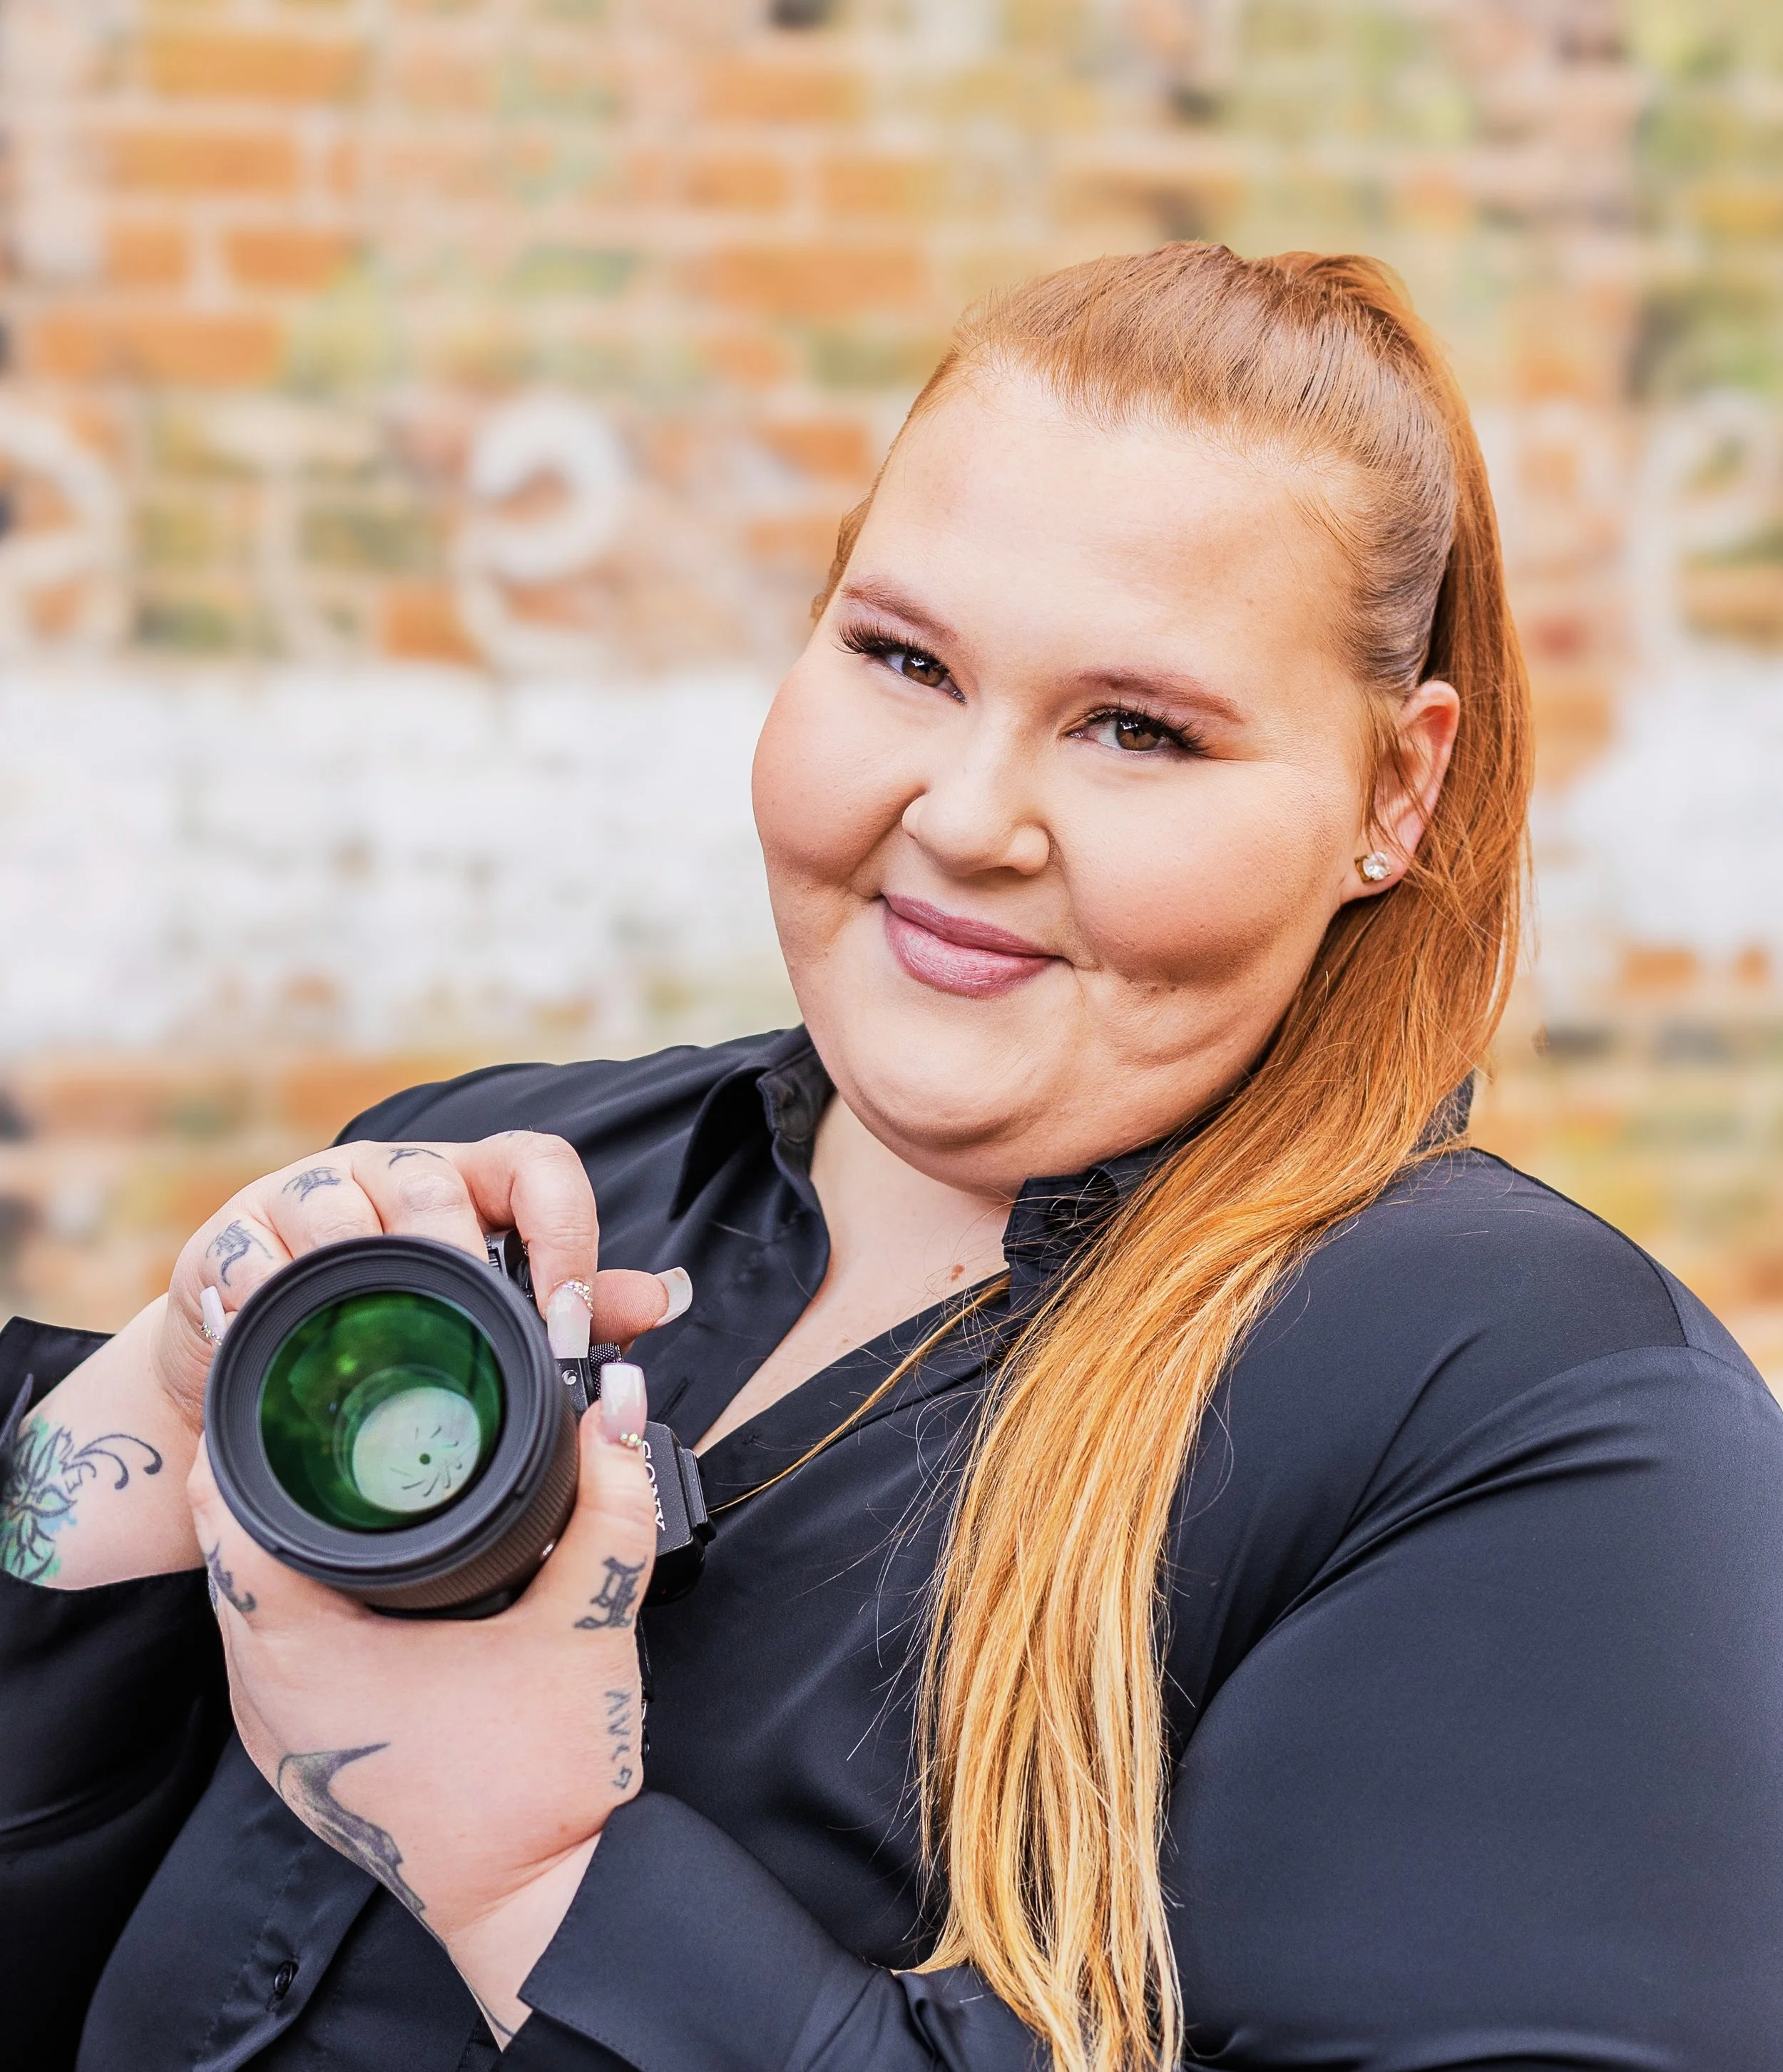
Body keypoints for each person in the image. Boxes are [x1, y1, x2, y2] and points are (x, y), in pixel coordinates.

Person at [3, 243, 1780, 2072]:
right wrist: (101, 1458)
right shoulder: (476, 1187)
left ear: (1390, 797)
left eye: (1134, 729)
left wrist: (539, 1880)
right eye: (901, 658)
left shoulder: (1532, 1417)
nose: (962, 815)